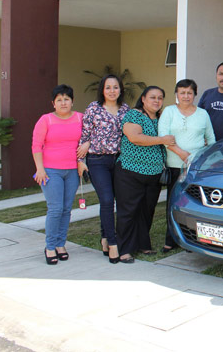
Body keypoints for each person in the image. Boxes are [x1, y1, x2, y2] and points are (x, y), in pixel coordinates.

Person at [114, 86, 175, 263]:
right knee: (128, 211)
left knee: (146, 211)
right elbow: (135, 137)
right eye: (152, 97)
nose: (156, 101)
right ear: (143, 99)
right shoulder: (134, 115)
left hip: (154, 174)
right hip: (130, 171)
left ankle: (142, 244)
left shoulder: (161, 118)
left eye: (160, 98)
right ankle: (125, 249)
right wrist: (161, 140)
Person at [77, 74, 130, 263]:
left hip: (118, 161)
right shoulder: (93, 108)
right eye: (108, 87)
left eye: (115, 87)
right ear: (102, 90)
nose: (112, 91)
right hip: (97, 160)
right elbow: (84, 135)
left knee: (114, 200)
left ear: (120, 89)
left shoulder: (125, 109)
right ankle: (113, 244)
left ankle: (105, 237)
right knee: (107, 200)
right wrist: (80, 160)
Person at [158, 79, 215, 253]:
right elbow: (163, 136)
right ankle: (170, 239)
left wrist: (202, 159)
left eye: (189, 93)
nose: (186, 96)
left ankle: (191, 240)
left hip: (196, 167)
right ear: (177, 94)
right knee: (173, 202)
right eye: (182, 92)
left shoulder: (203, 114)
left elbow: (211, 140)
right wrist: (182, 154)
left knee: (194, 204)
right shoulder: (169, 111)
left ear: (195, 94)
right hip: (174, 165)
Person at [32, 84, 86, 265]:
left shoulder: (80, 118)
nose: (63, 103)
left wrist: (83, 155)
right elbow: (36, 145)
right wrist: (40, 169)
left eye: (66, 99)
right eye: (59, 100)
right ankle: (50, 247)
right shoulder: (46, 120)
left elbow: (87, 140)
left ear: (72, 101)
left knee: (66, 209)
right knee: (55, 209)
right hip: (50, 171)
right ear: (53, 103)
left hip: (72, 171)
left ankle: (60, 244)